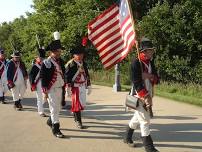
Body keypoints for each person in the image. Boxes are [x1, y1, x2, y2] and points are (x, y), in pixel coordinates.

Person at [124, 38, 159, 152]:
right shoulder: (135, 62)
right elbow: (136, 81)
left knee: (136, 118)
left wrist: (149, 76)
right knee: (144, 120)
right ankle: (149, 148)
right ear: (144, 51)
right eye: (150, 50)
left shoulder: (150, 62)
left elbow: (156, 77)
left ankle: (127, 137)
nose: (152, 52)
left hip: (148, 93)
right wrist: (145, 96)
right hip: (138, 95)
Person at [40, 31, 65, 138]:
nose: (58, 53)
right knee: (54, 109)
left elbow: (64, 74)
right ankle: (56, 129)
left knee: (57, 108)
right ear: (51, 53)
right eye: (56, 51)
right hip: (51, 89)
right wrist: (45, 90)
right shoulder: (46, 63)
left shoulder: (61, 61)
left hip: (60, 88)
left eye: (59, 51)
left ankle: (50, 121)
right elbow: (43, 77)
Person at [65, 44, 92, 129]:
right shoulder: (70, 64)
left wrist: (89, 84)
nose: (80, 56)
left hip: (82, 86)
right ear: (74, 55)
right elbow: (67, 76)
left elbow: (86, 74)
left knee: (82, 104)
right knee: (77, 104)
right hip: (74, 87)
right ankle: (79, 121)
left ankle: (75, 114)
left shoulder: (84, 63)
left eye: (81, 54)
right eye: (78, 54)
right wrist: (68, 87)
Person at [29, 47, 47, 117]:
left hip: (45, 82)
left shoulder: (45, 65)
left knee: (45, 98)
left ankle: (40, 106)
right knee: (39, 97)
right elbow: (31, 76)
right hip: (38, 83)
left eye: (42, 58)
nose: (41, 59)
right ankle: (41, 111)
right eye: (40, 58)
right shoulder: (34, 66)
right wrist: (32, 84)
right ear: (36, 58)